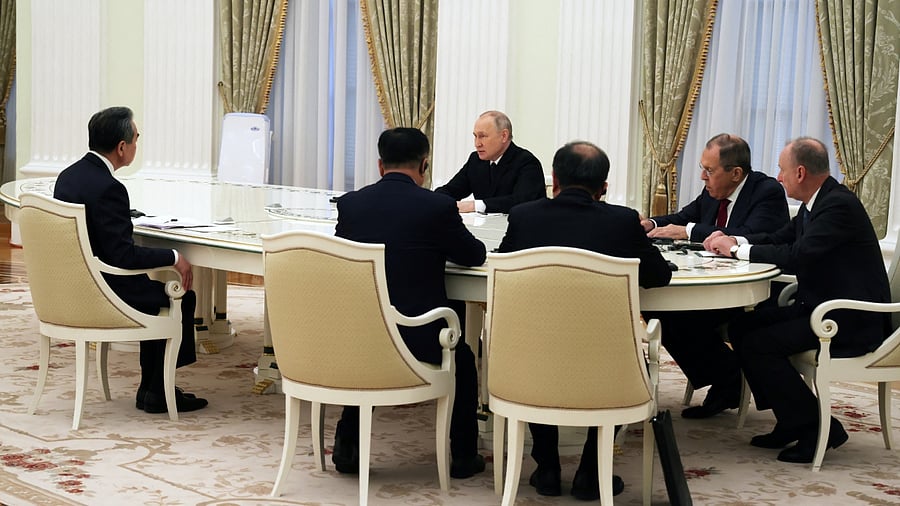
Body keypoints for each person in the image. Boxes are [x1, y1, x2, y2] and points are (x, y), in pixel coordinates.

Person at [498, 141, 672, 500]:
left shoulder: (524, 216)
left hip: (531, 358)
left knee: (539, 356)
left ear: (554, 179)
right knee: (626, 362)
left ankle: (546, 468)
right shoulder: (622, 221)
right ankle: (591, 473)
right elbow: (658, 276)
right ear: (603, 187)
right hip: (606, 364)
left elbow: (503, 268)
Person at [706, 137, 891, 463]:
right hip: (820, 307)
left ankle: (818, 427)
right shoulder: (816, 204)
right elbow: (780, 238)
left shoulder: (838, 206)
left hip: (848, 319)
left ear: (801, 172)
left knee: (761, 343)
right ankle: (791, 419)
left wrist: (736, 250)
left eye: (782, 169)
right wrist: (736, 239)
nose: (778, 176)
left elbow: (798, 256)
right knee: (741, 328)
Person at [332, 127, 488, 479]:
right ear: (425, 165)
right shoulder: (437, 206)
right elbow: (474, 255)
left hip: (363, 334)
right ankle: (462, 456)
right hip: (421, 339)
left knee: (368, 352)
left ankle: (348, 446)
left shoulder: (351, 203)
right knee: (462, 356)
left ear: (379, 165)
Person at [53, 106, 207, 414]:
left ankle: (152, 389)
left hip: (77, 285)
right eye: (136, 138)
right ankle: (158, 390)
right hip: (105, 290)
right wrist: (174, 256)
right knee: (180, 298)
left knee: (151, 290)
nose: (137, 144)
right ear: (122, 147)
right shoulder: (110, 188)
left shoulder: (68, 177)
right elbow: (122, 256)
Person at [640, 133, 789, 419]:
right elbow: (685, 216)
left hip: (748, 292)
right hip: (713, 282)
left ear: (736, 173)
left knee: (677, 314)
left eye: (709, 170)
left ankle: (728, 380)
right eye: (702, 168)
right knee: (659, 308)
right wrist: (652, 223)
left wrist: (690, 231)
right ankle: (727, 378)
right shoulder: (712, 193)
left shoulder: (766, 191)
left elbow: (754, 236)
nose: (702, 177)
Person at [434, 110, 545, 213]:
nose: (477, 144)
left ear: (504, 136)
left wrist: (474, 206)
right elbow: (451, 190)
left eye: (482, 136)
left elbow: (520, 202)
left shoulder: (527, 163)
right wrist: (433, 201)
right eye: (475, 136)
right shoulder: (476, 160)